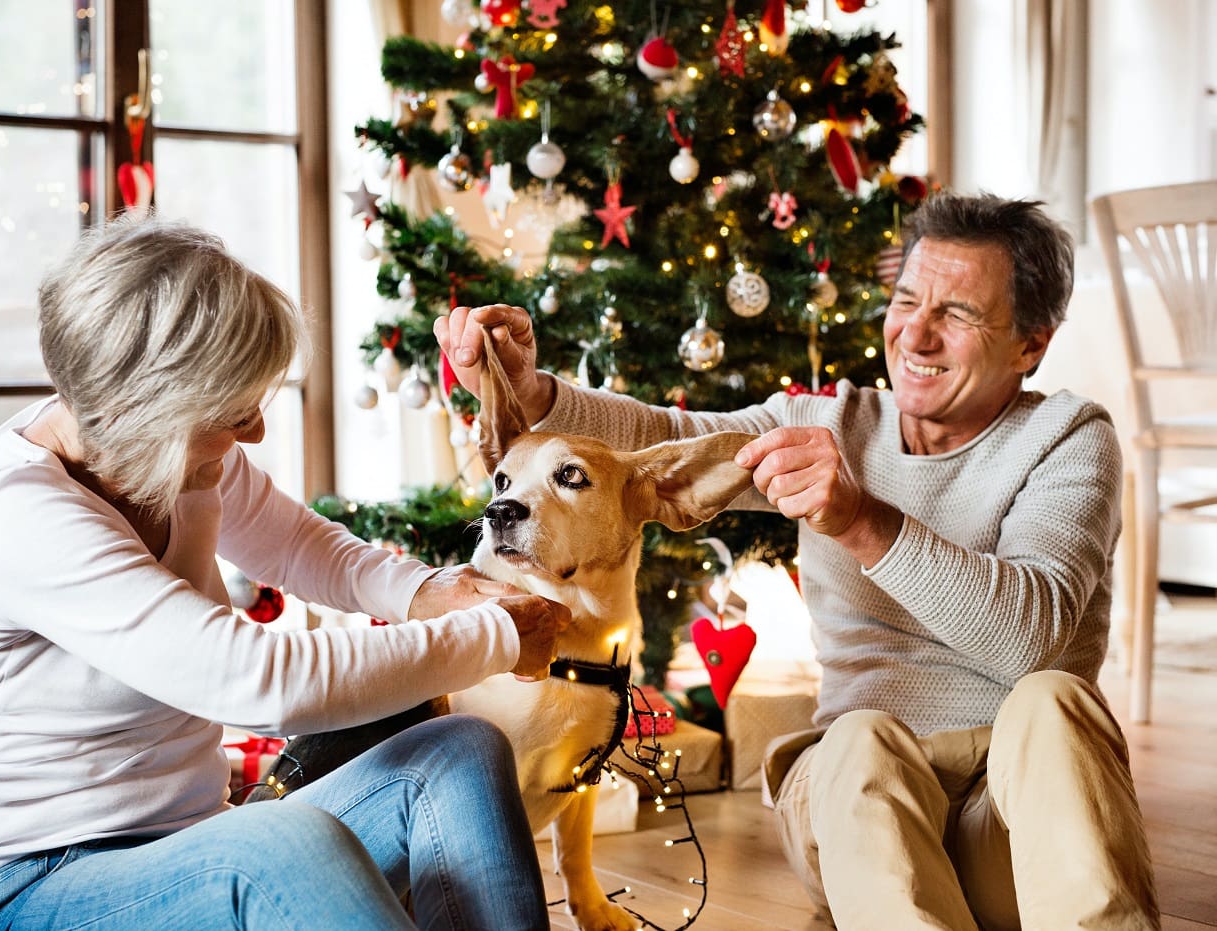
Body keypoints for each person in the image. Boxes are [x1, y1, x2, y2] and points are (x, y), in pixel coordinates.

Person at [437, 192, 1160, 930]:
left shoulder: (1069, 437)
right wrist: (533, 393)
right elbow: (659, 445)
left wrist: (862, 521)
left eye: (958, 314)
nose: (917, 334)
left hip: (1014, 825)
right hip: (864, 817)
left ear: (1030, 344)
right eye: (906, 301)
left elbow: (1031, 637)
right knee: (859, 736)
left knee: (1053, 700)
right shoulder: (824, 424)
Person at [0, 215, 571, 931]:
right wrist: (495, 636)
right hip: (19, 886)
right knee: (281, 844)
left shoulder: (173, 457)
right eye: (233, 410)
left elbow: (300, 547)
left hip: (189, 842)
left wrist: (426, 591)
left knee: (460, 752)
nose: (254, 431)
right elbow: (260, 681)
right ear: (149, 407)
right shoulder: (18, 515)